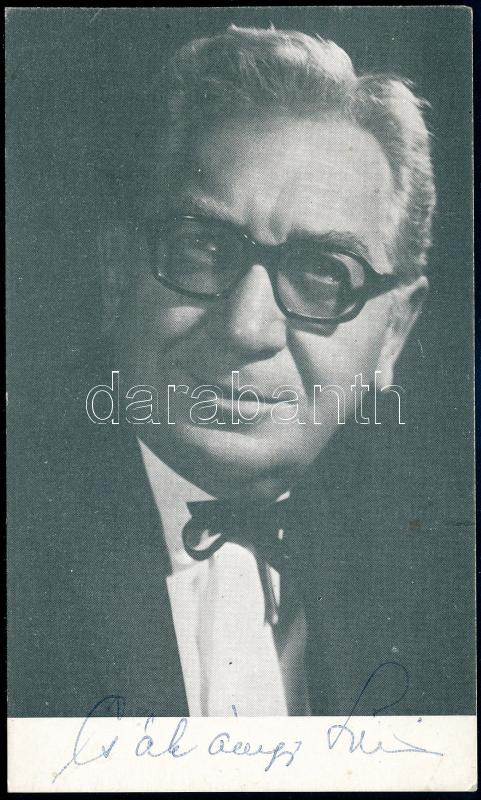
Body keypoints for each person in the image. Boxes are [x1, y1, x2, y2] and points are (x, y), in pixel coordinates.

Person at [9, 25, 473, 718]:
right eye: (202, 249)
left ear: (394, 333)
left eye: (323, 275)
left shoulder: (440, 581)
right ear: (116, 275)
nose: (246, 328)